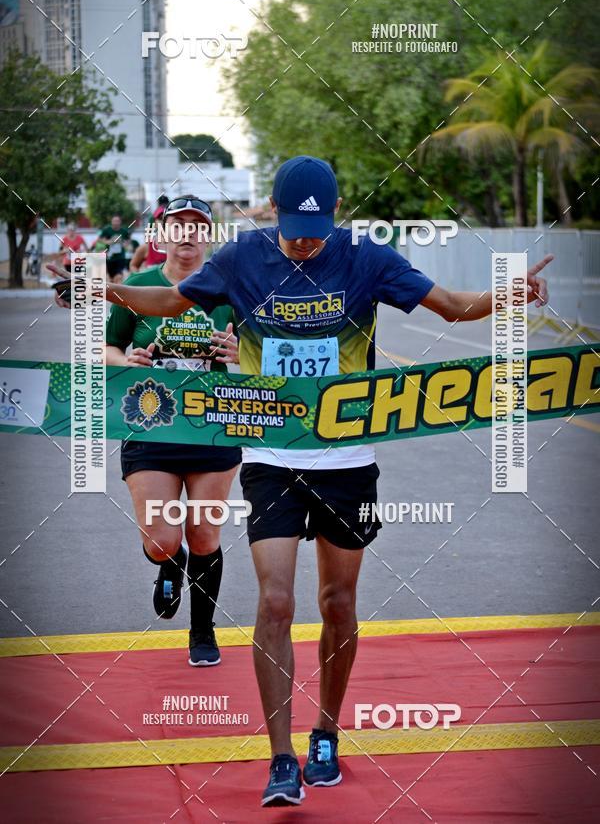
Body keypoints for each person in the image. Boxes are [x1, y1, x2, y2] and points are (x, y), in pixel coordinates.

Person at [51, 156, 553, 807]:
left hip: (348, 461)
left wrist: (509, 295)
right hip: (271, 456)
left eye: (314, 231)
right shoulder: (242, 259)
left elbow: (453, 308)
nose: (303, 242)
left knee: (338, 605)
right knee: (277, 601)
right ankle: (281, 757)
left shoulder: (367, 258)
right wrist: (103, 291)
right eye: (292, 230)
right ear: (274, 213)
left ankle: (326, 734)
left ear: (335, 214)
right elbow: (173, 299)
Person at [103, 196, 241, 666]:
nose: (187, 235)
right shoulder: (136, 287)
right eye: (177, 226)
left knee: (204, 536)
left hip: (213, 426)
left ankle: (202, 632)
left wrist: (239, 352)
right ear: (161, 235)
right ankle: (170, 564)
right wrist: (129, 359)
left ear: (208, 235)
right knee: (162, 539)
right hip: (150, 427)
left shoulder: (230, 290)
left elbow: (264, 350)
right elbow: (107, 347)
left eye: (197, 226)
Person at [129, 195, 170, 271]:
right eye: (160, 219)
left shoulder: (180, 246)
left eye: (166, 218)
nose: (163, 221)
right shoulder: (154, 216)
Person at [92, 215, 131, 282]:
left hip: (120, 257)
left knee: (119, 276)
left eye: (117, 221)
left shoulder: (124, 231)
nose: (116, 223)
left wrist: (122, 243)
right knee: (111, 278)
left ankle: (117, 289)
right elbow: (99, 239)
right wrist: (109, 242)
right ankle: (113, 289)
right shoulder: (107, 230)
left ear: (120, 222)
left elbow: (128, 241)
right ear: (112, 222)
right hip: (110, 258)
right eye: (114, 221)